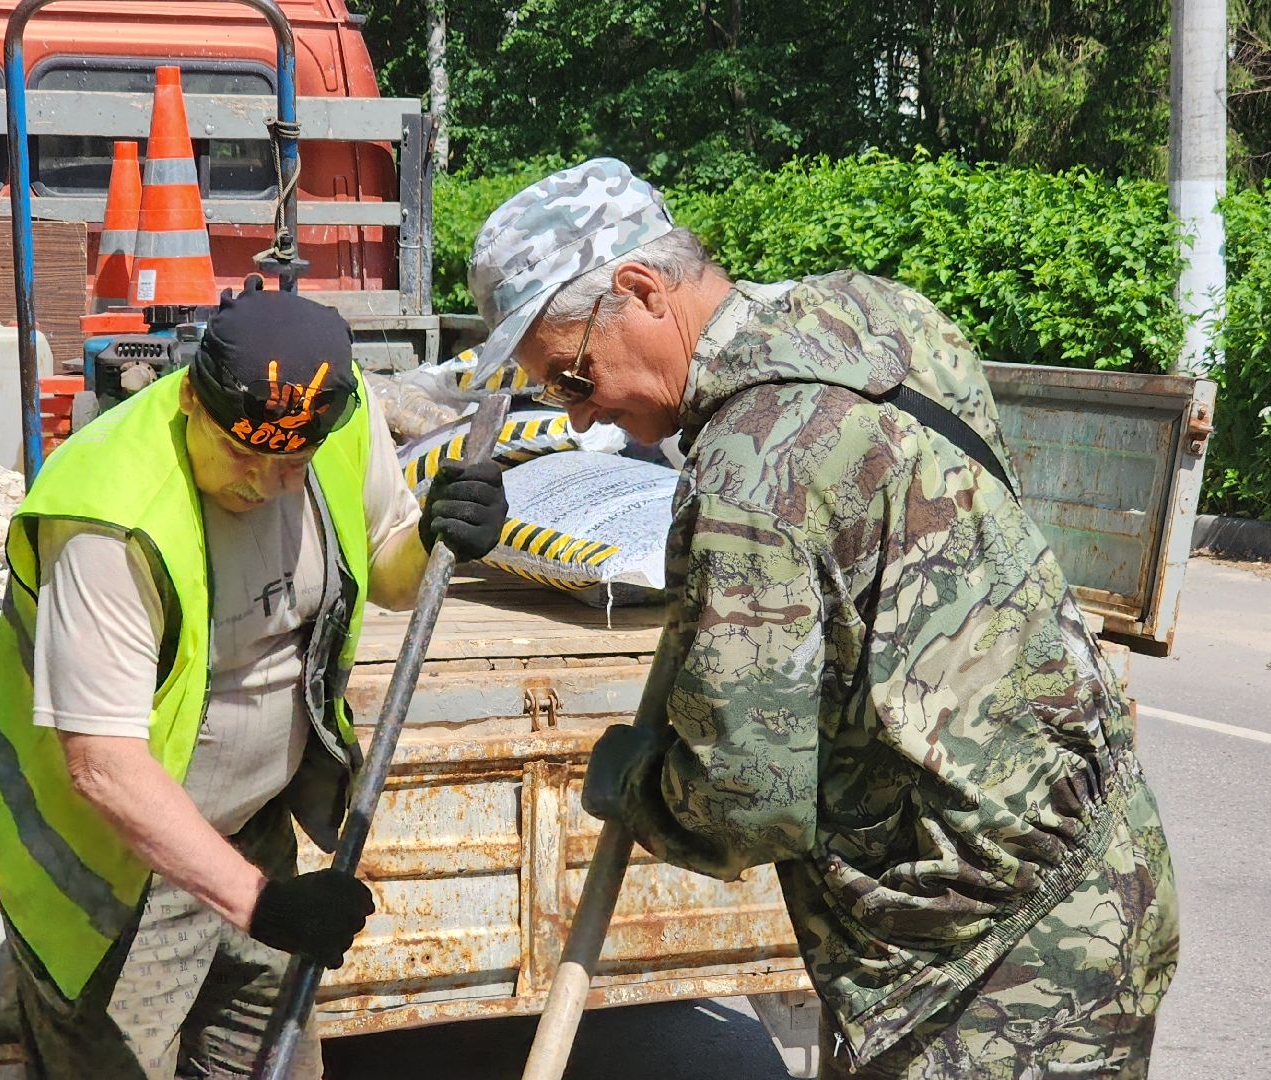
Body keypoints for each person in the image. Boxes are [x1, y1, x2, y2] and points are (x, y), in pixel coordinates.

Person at [468, 159, 1180, 1078]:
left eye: (575, 376)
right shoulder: (880, 317)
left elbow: (745, 802)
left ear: (640, 290)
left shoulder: (750, 475)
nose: (582, 413)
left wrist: (638, 782)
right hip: (1107, 871)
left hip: (981, 979)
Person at [0, 287, 508, 1078]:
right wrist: (266, 908)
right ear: (190, 399)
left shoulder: (339, 419)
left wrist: (436, 537)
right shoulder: (109, 519)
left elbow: (386, 569)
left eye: (291, 463)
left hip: (253, 833)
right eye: (243, 455)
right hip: (113, 877)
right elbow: (103, 768)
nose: (265, 485)